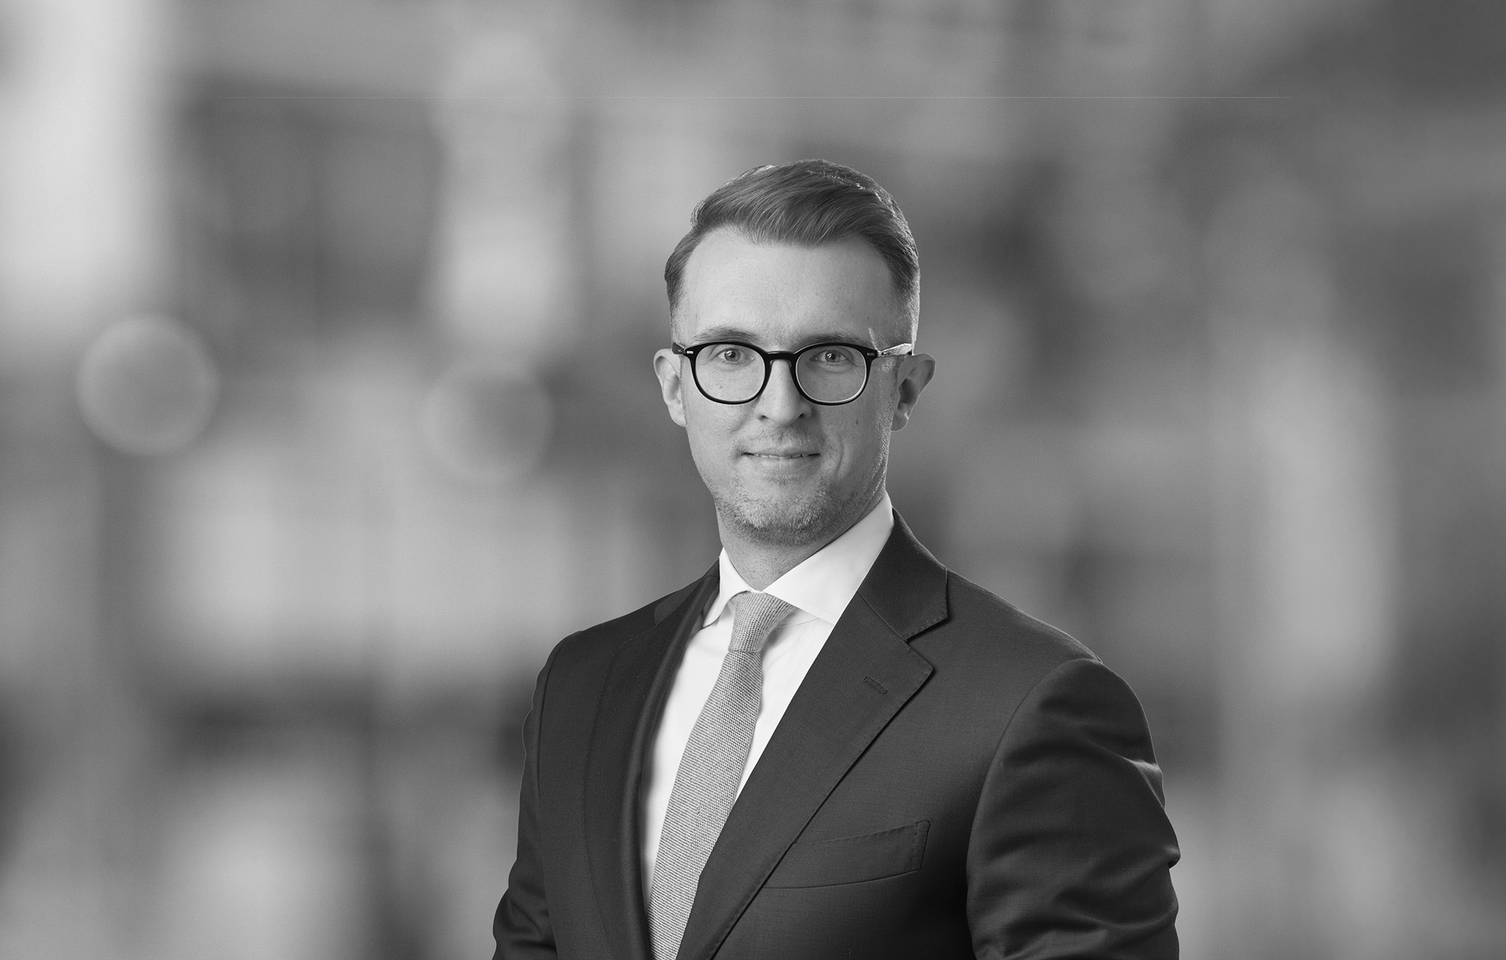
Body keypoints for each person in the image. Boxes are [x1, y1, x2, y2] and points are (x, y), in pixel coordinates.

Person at [492, 160, 1178, 960]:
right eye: (731, 354)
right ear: (676, 386)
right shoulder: (582, 690)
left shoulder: (1029, 704)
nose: (779, 406)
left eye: (829, 357)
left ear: (906, 387)